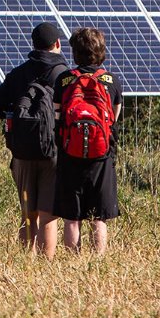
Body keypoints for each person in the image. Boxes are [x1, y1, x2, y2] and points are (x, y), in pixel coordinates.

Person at [0, 21, 69, 252]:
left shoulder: (19, 73)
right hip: (53, 151)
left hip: (22, 152)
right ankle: (46, 267)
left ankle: (26, 261)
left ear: (33, 45)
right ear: (58, 44)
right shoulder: (65, 76)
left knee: (28, 213)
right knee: (48, 215)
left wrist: (16, 116)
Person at [51, 27, 124, 257]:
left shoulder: (64, 80)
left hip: (69, 153)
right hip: (101, 156)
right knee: (98, 217)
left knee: (72, 217)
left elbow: (57, 117)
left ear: (75, 52)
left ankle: (73, 262)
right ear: (101, 51)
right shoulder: (111, 81)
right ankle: (97, 261)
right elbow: (113, 119)